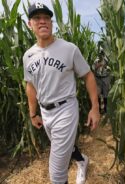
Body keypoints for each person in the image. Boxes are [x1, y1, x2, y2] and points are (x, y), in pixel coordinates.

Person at [23, 3, 100, 184]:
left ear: (51, 22)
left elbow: (88, 75)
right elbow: (30, 85)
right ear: (29, 24)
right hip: (45, 111)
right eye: (37, 18)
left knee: (56, 172)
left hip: (65, 109)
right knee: (65, 147)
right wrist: (33, 113)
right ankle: (82, 161)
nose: (42, 21)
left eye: (46, 18)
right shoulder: (28, 55)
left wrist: (95, 108)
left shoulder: (68, 48)